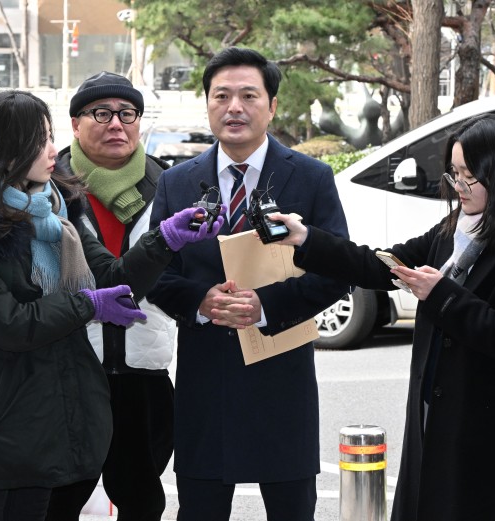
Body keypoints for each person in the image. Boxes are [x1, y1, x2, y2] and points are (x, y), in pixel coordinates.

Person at [0, 90, 222, 521]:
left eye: (50, 137)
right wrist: (87, 306)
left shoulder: (53, 206)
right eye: (41, 140)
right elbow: (6, 323)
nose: (53, 151)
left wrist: (165, 239)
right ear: (7, 147)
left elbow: (110, 278)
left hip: (50, 400)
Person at [271, 114, 495, 521]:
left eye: (469, 176)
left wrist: (441, 294)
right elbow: (380, 266)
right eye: (454, 174)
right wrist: (306, 239)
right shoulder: (453, 230)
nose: (458, 186)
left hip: (489, 431)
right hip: (434, 415)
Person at [146, 47, 349, 520]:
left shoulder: (311, 178)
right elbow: (155, 272)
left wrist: (264, 306)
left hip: (281, 378)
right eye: (222, 96)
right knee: (199, 510)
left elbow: (336, 269)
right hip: (204, 381)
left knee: (291, 511)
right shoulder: (177, 183)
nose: (234, 107)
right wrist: (202, 301)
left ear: (272, 105)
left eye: (248, 95)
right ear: (208, 104)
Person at [45, 72, 176, 521]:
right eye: (101, 113)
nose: (116, 123)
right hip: (70, 368)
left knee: (142, 497)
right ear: (76, 124)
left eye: (127, 113)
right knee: (58, 497)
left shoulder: (169, 184)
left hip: (145, 368)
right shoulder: (49, 186)